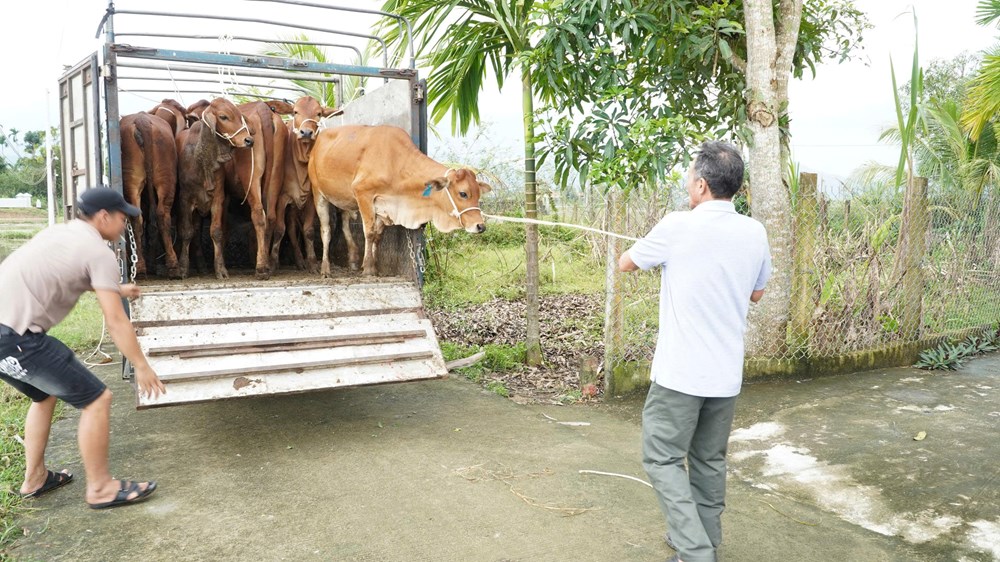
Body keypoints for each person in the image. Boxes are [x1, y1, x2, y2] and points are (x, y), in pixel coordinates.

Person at [618, 141, 771, 562]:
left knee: (662, 459)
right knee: (708, 461)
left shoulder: (675, 225)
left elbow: (625, 263)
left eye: (689, 176)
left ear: (701, 185)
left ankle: (695, 551)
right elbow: (757, 293)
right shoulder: (754, 231)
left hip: (680, 377)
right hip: (724, 376)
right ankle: (705, 542)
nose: (688, 182)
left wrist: (656, 249)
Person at [0, 187, 165, 509]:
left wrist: (116, 288)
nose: (124, 226)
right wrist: (142, 366)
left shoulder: (60, 234)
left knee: (43, 395)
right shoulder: (98, 252)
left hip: (3, 336)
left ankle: (35, 478)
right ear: (103, 216)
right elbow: (116, 322)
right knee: (97, 399)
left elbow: (66, 273)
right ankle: (101, 488)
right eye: (121, 219)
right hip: (19, 340)